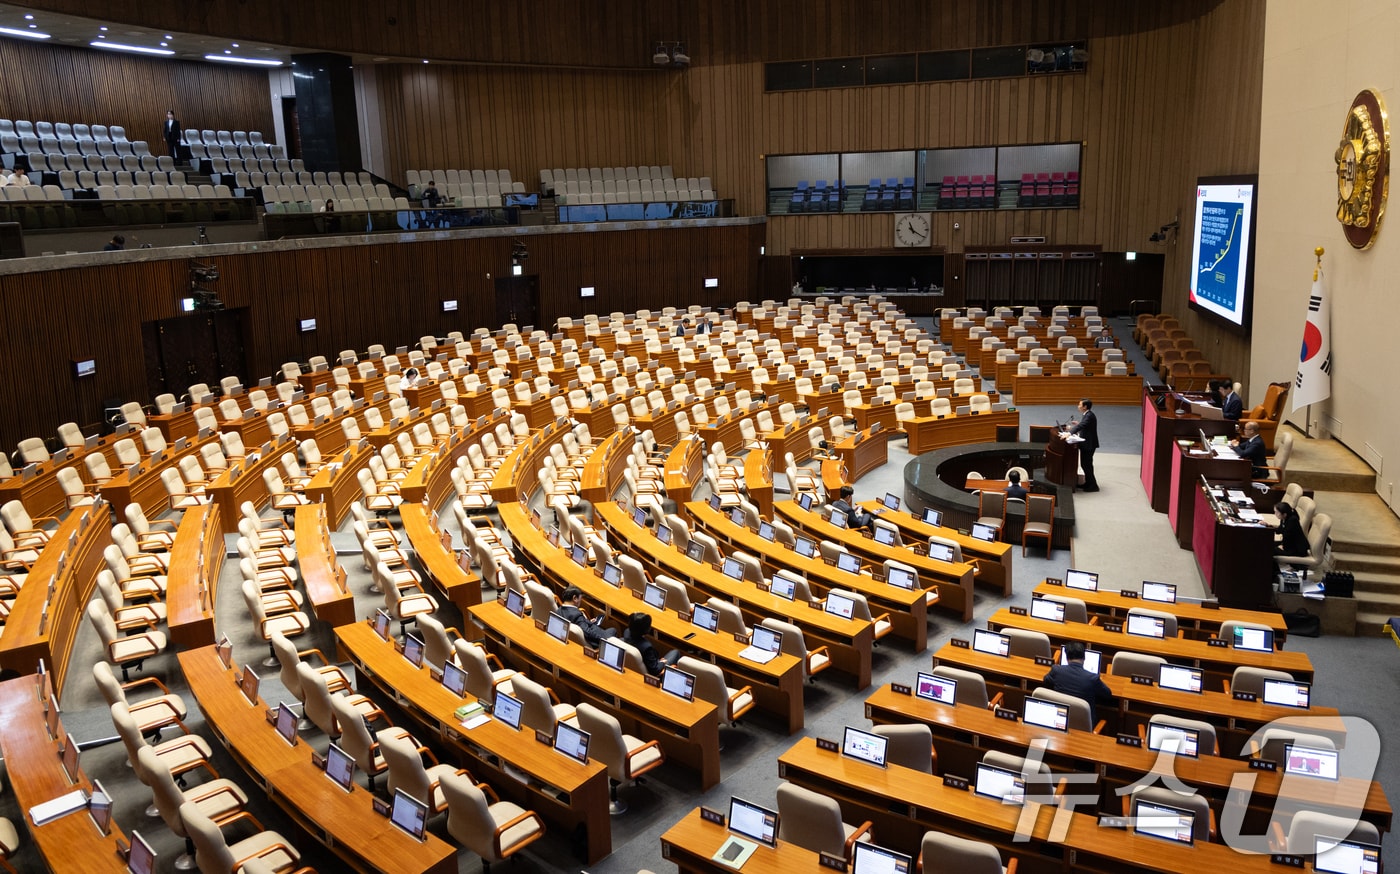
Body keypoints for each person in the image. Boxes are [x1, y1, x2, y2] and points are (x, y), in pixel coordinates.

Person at [1041, 641, 1113, 724]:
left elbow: (1046, 681)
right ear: (1084, 657)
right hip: (1084, 725)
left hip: (1060, 720)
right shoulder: (1092, 678)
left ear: (1067, 658)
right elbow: (1108, 694)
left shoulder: (1056, 670)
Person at [622, 612, 678, 677]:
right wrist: (662, 663)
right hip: (652, 671)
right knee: (676, 652)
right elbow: (655, 670)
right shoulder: (646, 647)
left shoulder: (626, 632)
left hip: (636, 665)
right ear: (647, 629)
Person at [1064, 398, 1099, 491]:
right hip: (1087, 443)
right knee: (1085, 464)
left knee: (1087, 465)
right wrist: (1078, 423)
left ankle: (1093, 486)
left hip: (1089, 445)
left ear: (1085, 407)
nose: (1078, 406)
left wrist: (1070, 433)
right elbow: (1084, 425)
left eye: (1080, 405)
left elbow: (1082, 426)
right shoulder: (1087, 415)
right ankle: (1088, 483)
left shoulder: (1089, 416)